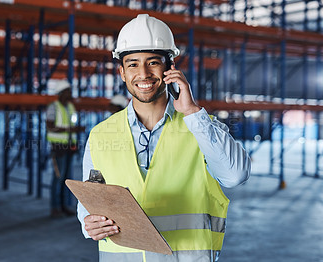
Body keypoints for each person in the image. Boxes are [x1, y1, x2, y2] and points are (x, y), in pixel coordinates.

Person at [77, 14, 251, 261]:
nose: (143, 74)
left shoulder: (200, 126)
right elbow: (90, 200)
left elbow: (235, 176)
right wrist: (88, 223)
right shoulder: (100, 134)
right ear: (122, 72)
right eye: (133, 64)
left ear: (170, 67)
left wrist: (192, 113)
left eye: (153, 62)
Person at [46, 80, 82, 218]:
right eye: (68, 91)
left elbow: (71, 126)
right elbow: (50, 126)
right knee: (58, 178)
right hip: (58, 147)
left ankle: (63, 206)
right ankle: (55, 208)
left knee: (67, 179)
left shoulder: (70, 107)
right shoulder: (53, 107)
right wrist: (71, 129)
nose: (70, 94)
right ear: (61, 93)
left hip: (68, 147)